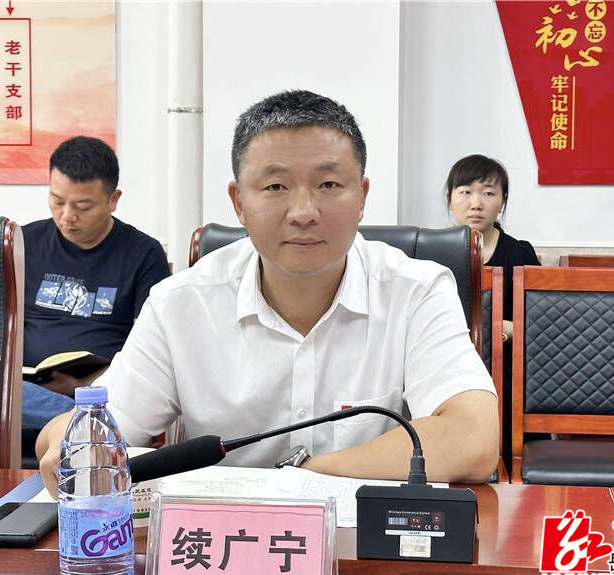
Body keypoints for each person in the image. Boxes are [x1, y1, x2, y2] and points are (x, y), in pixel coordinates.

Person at [37, 91, 497, 495]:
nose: (303, 211)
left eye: (329, 184)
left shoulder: (417, 290)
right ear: (239, 202)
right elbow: (96, 426)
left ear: (362, 196)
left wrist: (306, 476)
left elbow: (473, 438)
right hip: (221, 548)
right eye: (276, 186)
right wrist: (64, 442)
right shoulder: (181, 303)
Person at [22, 136, 170, 439]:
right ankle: (87, 422)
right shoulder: (23, 244)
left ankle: (88, 416)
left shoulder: (143, 253)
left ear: (113, 200)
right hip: (25, 388)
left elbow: (153, 349)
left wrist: (86, 383)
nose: (67, 216)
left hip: (103, 388)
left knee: (120, 398)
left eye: (83, 206)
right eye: (57, 201)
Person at [445, 154, 540, 466]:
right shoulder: (432, 253)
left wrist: (503, 330)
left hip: (507, 375)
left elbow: (540, 329)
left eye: (488, 193)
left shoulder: (520, 253)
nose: (476, 203)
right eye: (465, 192)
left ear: (502, 201)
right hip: (448, 371)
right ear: (450, 200)